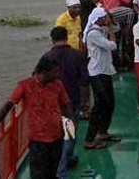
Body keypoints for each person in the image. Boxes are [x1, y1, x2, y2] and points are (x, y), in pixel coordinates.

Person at [0, 56, 73, 179]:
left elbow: (65, 105)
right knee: (38, 174)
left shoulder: (58, 85)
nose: (58, 74)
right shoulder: (25, 85)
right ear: (45, 72)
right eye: (55, 71)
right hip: (38, 140)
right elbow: (7, 106)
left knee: (52, 172)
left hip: (57, 137)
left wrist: (70, 129)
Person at [44, 26, 88, 178]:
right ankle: (62, 168)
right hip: (71, 102)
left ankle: (64, 163)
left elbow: (37, 80)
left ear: (52, 39)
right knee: (69, 134)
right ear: (67, 37)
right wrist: (84, 102)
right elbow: (84, 80)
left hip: (52, 105)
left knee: (56, 136)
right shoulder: (77, 55)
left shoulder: (47, 57)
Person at [83, 7, 120, 149]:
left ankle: (103, 131)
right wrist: (110, 30)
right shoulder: (94, 34)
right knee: (99, 106)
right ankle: (89, 138)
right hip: (97, 72)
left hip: (105, 71)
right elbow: (112, 46)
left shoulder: (101, 29)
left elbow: (117, 28)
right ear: (98, 19)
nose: (106, 20)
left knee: (109, 103)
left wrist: (111, 20)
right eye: (104, 17)